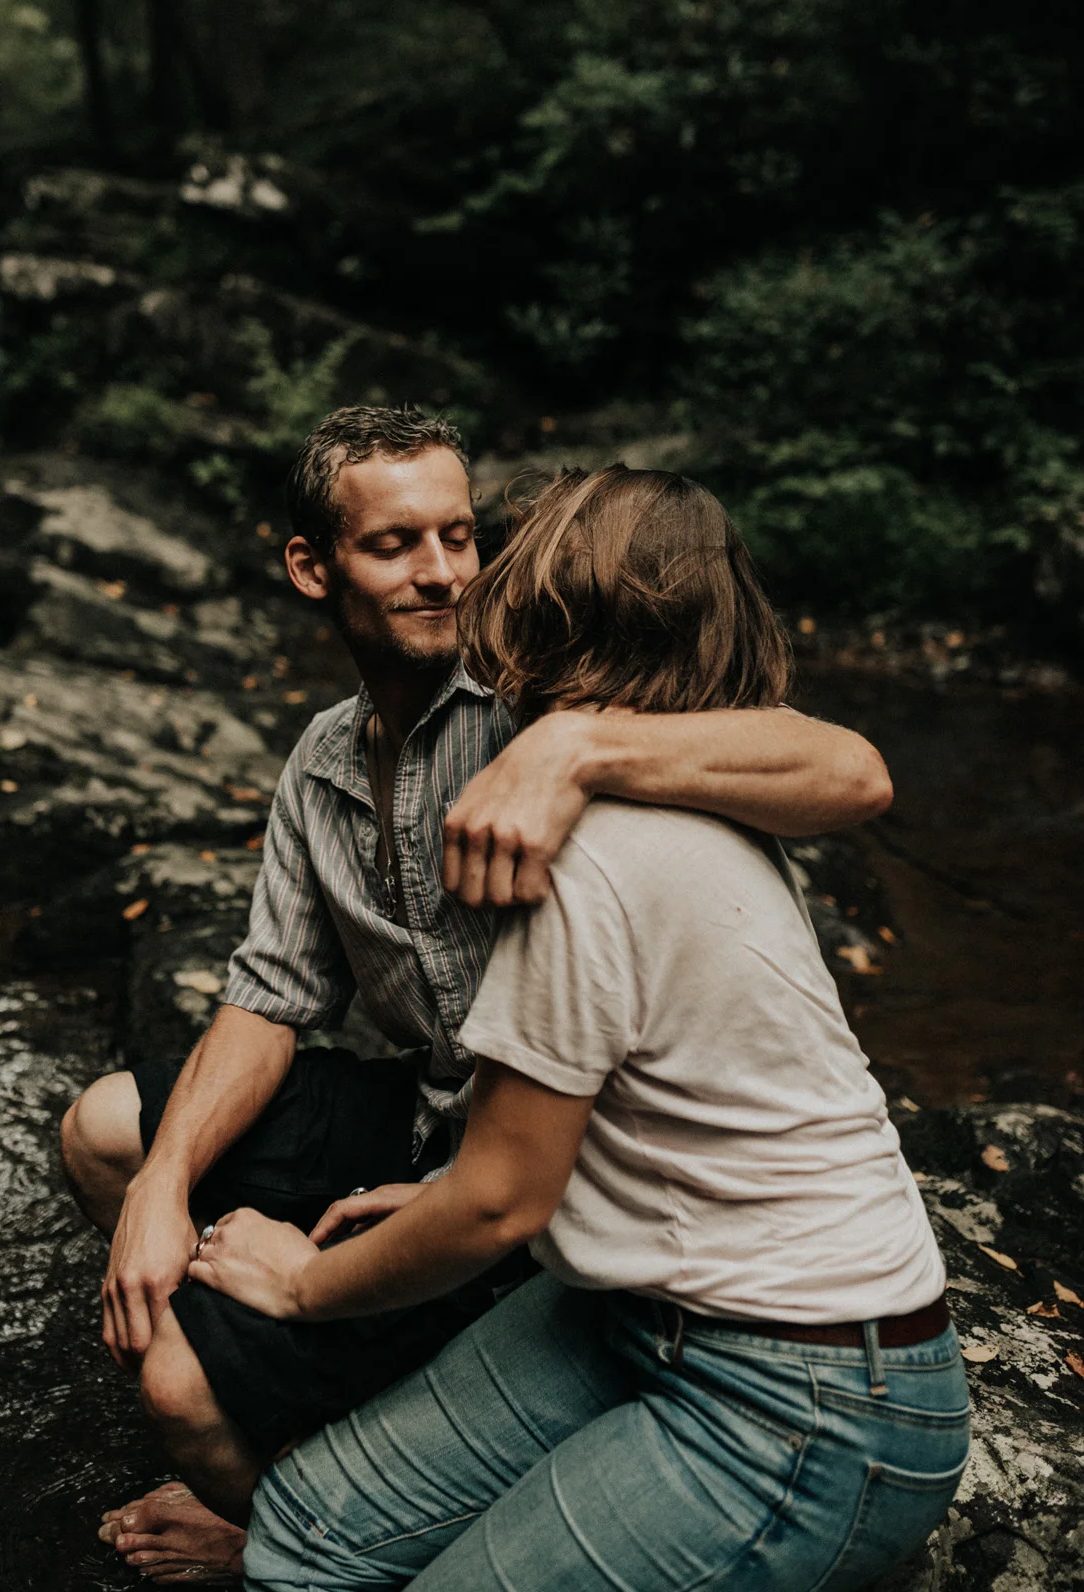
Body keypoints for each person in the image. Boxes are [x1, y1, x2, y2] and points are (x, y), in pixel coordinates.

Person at [62, 409, 892, 1578]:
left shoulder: (541, 698)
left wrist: (576, 747)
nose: (444, 570)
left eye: (460, 535)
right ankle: (306, 1447)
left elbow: (851, 771)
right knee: (107, 1127)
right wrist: (160, 1185)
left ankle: (310, 1489)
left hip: (551, 1165)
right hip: (434, 1112)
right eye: (395, 542)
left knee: (179, 1379)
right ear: (311, 565)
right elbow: (268, 998)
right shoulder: (322, 759)